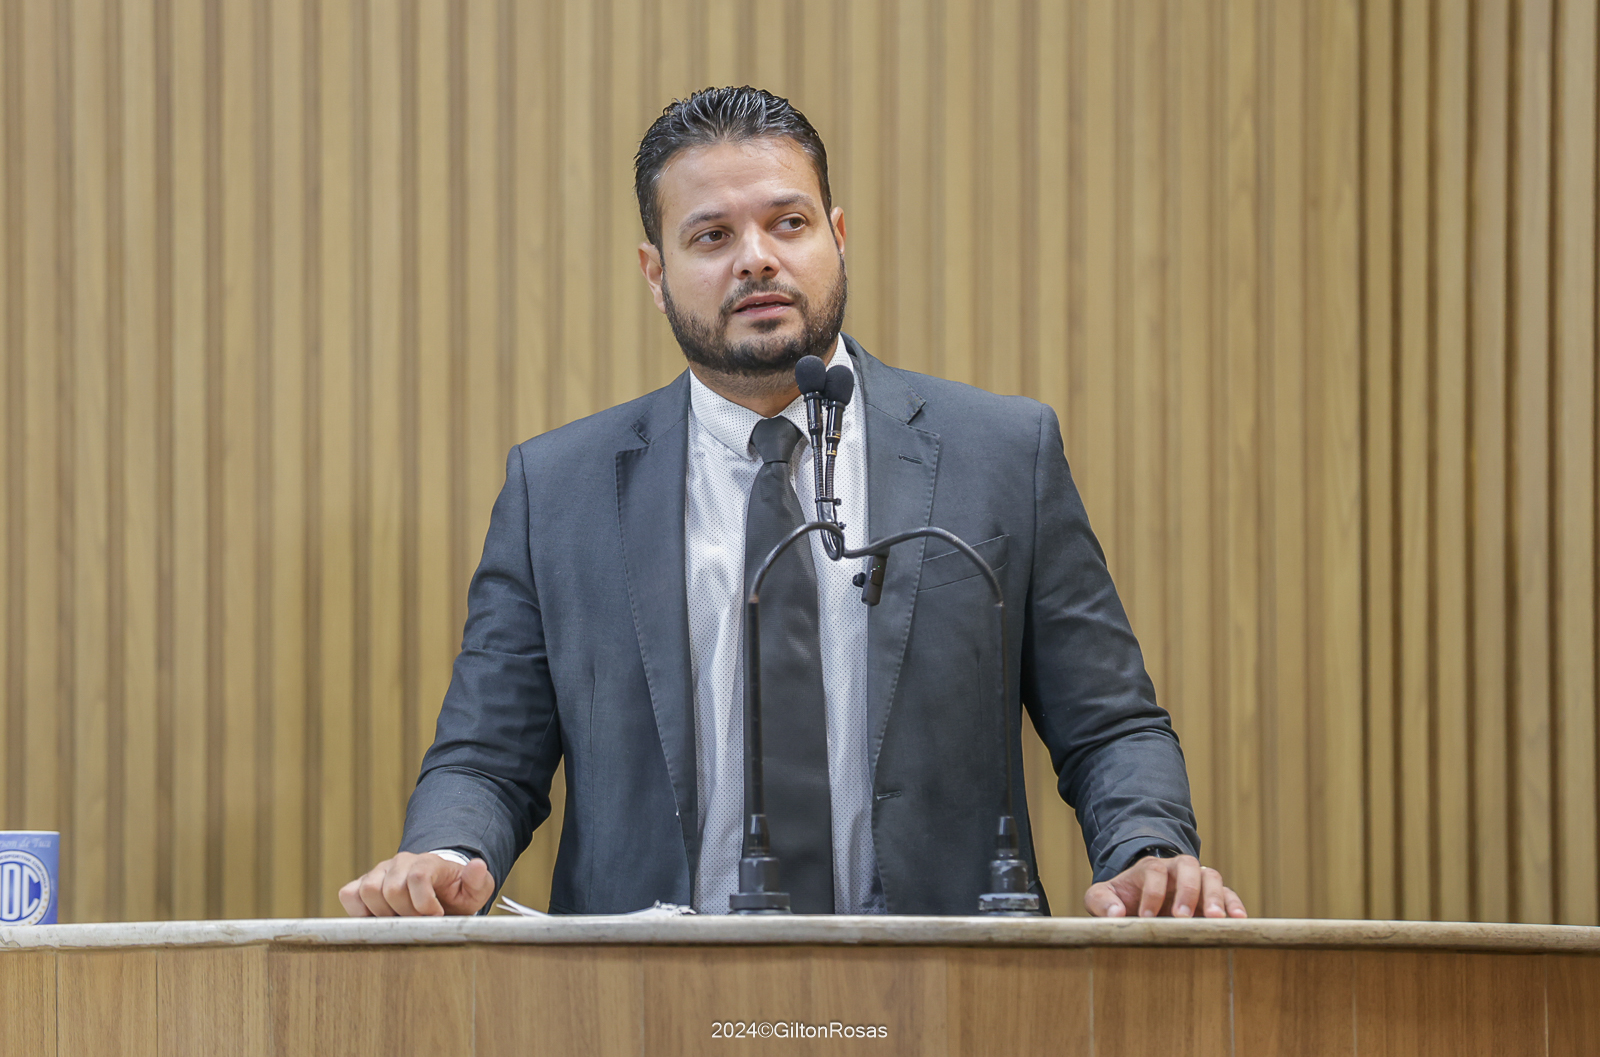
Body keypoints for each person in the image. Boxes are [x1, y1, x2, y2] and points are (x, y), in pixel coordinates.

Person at [340, 87, 1247, 922]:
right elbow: (488, 756)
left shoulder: (1001, 455)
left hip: (949, 994)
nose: (758, 258)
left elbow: (1109, 724)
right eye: (711, 236)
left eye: (789, 222)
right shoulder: (558, 490)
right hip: (644, 1003)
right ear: (655, 273)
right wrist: (446, 854)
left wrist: (1149, 852)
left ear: (837, 236)